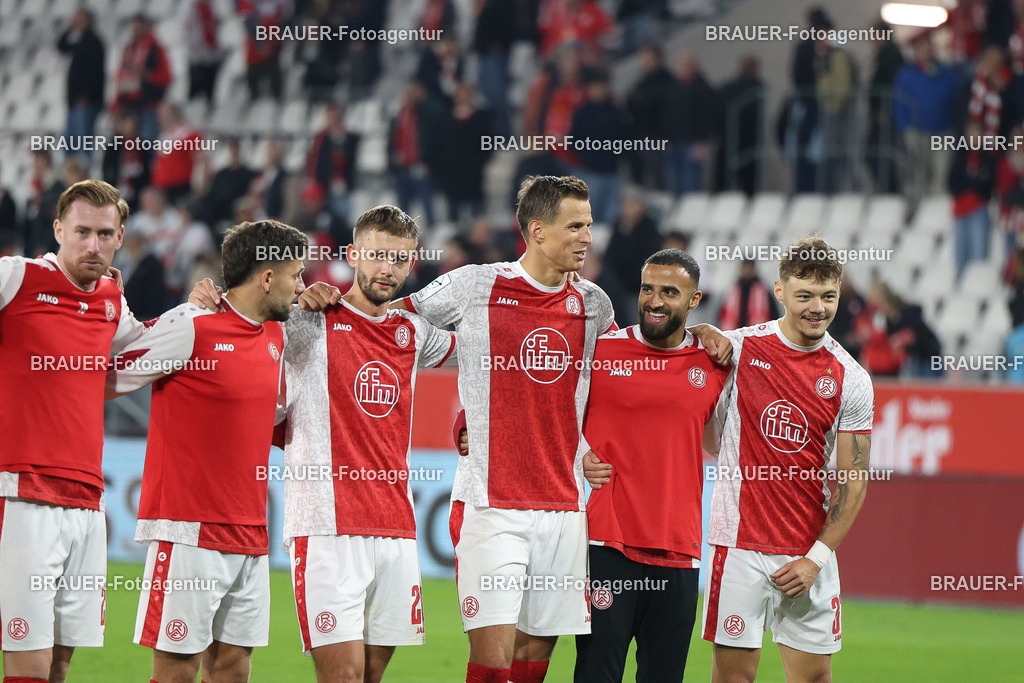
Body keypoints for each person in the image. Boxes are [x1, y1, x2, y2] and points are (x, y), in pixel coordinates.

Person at [402, 175, 729, 683]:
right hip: (491, 501)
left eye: (589, 226)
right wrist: (464, 407)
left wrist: (699, 331)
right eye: (575, 226)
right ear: (537, 231)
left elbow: (630, 364)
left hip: (564, 507)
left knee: (535, 653)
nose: (587, 237)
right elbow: (395, 323)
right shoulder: (476, 284)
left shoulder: (594, 304)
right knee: (493, 656)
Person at [195, 206, 456, 681]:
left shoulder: (414, 333)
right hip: (325, 527)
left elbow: (485, 355)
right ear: (353, 254)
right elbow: (244, 314)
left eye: (400, 260)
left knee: (370, 677)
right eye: (377, 255)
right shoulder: (306, 322)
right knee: (343, 676)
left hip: (396, 528)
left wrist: (465, 416)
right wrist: (207, 299)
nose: (387, 269)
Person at [105, 219, 306, 683]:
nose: (301, 286)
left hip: (252, 532)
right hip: (187, 530)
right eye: (295, 275)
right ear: (267, 277)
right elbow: (107, 377)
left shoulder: (277, 336)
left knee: (234, 669)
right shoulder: (191, 325)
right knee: (176, 671)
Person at [702, 236, 874, 683]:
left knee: (814, 678)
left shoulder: (850, 378)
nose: (817, 307)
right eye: (804, 296)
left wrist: (815, 559)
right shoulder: (737, 351)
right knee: (732, 678)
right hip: (738, 546)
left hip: (806, 552)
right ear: (779, 291)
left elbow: (853, 483)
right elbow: (704, 434)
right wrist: (699, 332)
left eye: (828, 296)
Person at [0, 180, 146, 683]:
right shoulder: (16, 277)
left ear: (121, 236)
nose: (92, 245)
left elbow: (147, 357)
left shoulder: (112, 300)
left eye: (104, 234)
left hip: (86, 499)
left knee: (62, 658)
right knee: (29, 659)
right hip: (22, 491)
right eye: (81, 231)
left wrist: (201, 309)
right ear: (58, 228)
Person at [575, 249, 731, 682]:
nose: (655, 301)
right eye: (647, 288)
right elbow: (547, 411)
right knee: (595, 674)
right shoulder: (599, 352)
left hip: (680, 551)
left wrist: (715, 335)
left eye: (669, 291)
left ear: (694, 299)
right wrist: (578, 457)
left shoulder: (715, 362)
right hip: (608, 545)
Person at [57, 8, 106, 158]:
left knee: (81, 145)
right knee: (70, 145)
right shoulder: (81, 42)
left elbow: (95, 72)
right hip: (76, 102)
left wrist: (87, 96)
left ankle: (82, 178)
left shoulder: (93, 42)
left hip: (85, 102)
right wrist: (69, 29)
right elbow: (61, 46)